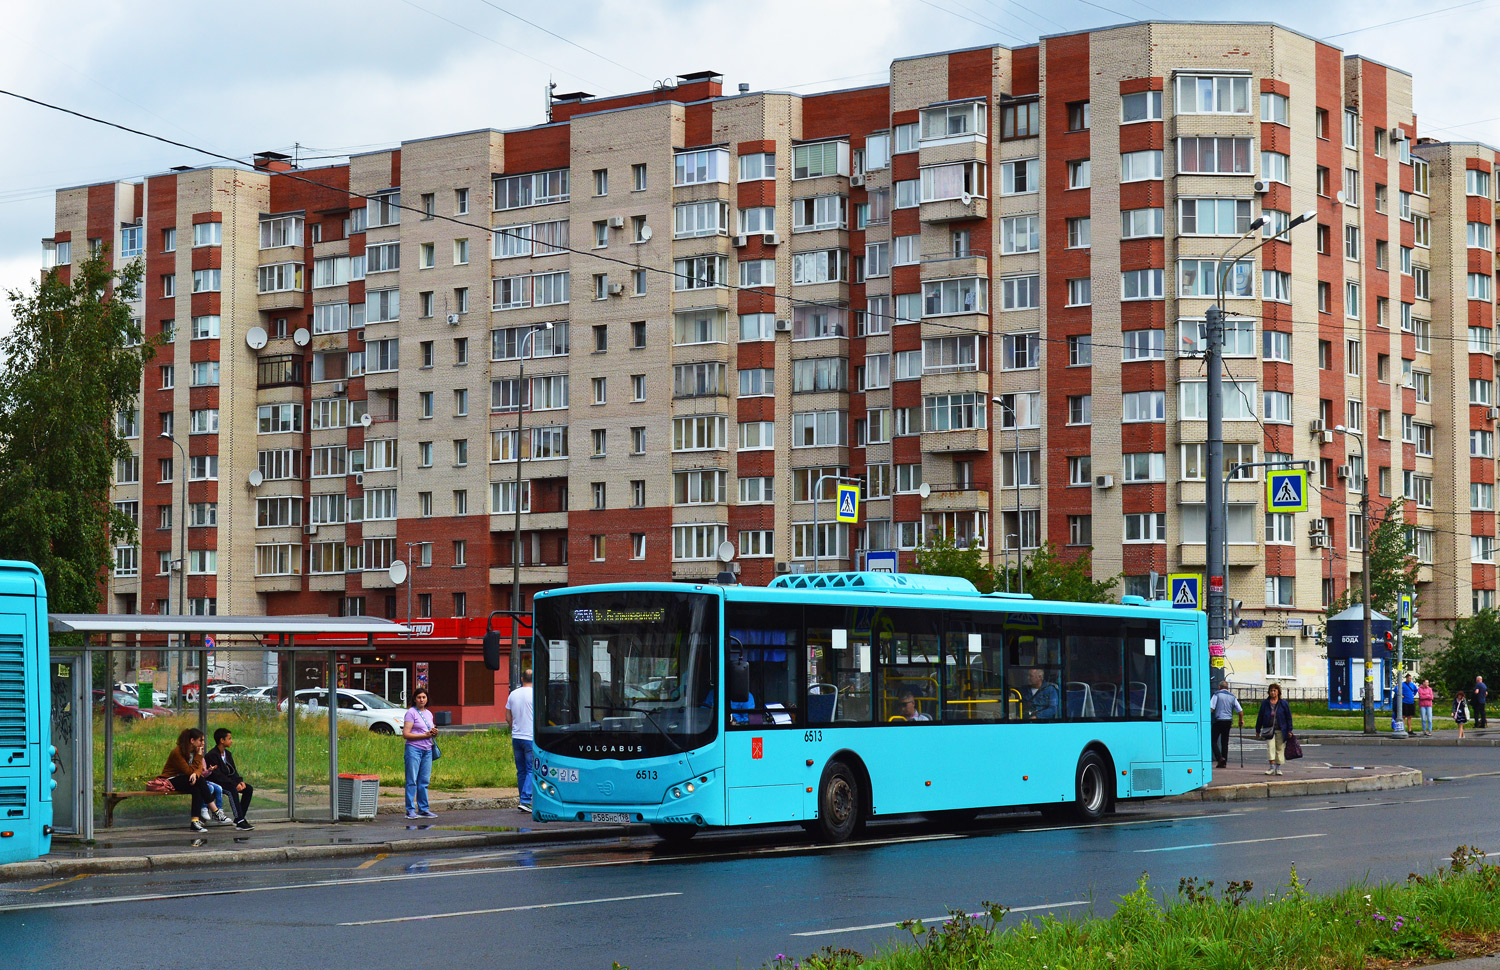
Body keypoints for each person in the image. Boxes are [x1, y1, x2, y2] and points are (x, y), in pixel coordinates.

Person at [163, 728, 226, 832]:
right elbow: (188, 771)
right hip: (171, 780)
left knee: (196, 788)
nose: (203, 743)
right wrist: (198, 758)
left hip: (187, 779)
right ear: (192, 740)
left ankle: (195, 821)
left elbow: (199, 769)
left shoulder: (195, 752)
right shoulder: (177, 752)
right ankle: (215, 811)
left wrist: (195, 773)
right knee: (200, 781)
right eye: (201, 740)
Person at [206, 728, 254, 830]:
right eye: (229, 738)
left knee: (248, 789)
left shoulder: (228, 754)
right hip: (217, 783)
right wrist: (234, 784)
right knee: (232, 791)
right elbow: (217, 776)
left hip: (228, 781)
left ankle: (240, 818)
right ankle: (240, 820)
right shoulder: (212, 755)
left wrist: (239, 781)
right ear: (222, 740)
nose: (231, 741)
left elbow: (233, 771)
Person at [402, 686, 439, 820]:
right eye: (419, 697)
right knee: (412, 780)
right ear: (414, 699)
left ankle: (424, 809)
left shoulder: (429, 713)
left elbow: (431, 728)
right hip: (414, 749)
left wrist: (434, 732)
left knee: (424, 780)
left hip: (427, 750)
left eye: (424, 697)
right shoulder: (411, 713)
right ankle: (410, 810)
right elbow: (406, 734)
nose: (421, 700)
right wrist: (424, 735)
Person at [506, 669, 535, 813]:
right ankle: (525, 799)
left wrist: (515, 728)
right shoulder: (536, 694)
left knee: (521, 770)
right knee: (532, 769)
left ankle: (523, 799)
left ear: (522, 679)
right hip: (530, 737)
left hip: (516, 737)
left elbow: (508, 717)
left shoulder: (513, 694)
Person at [1254, 683, 1293, 776]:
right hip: (1269, 729)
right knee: (1270, 747)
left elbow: (1289, 717)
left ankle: (1278, 768)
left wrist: (1289, 730)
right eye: (1271, 690)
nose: (1273, 692)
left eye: (1275, 690)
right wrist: (1258, 730)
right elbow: (1260, 716)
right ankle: (1271, 767)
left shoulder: (1283, 703)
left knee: (1280, 748)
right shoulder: (1265, 703)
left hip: (1281, 729)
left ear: (1278, 692)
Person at [1210, 683, 1243, 768]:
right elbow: (1240, 711)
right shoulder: (1232, 697)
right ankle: (1224, 762)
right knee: (1225, 742)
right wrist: (1241, 720)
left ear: (1219, 687)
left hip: (1218, 720)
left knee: (1213, 740)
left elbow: (1211, 708)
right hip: (1228, 721)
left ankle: (1219, 758)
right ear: (1228, 688)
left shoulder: (1217, 694)